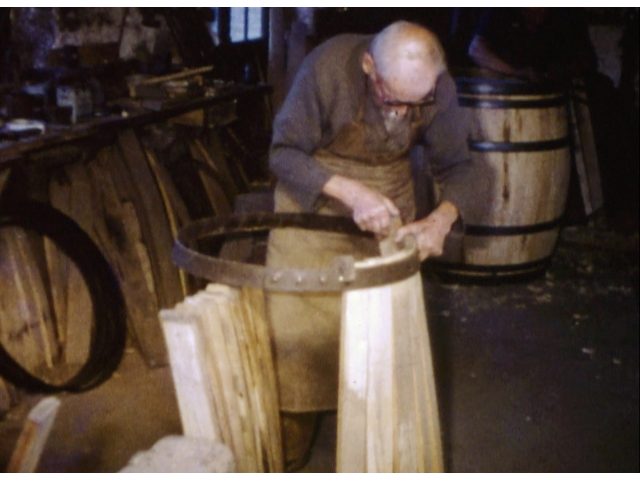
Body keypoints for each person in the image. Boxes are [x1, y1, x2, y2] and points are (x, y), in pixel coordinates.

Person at [265, 20, 473, 470]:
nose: (401, 114)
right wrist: (351, 193)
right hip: (315, 195)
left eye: (415, 103)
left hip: (389, 195)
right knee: (298, 331)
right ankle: (292, 439)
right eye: (391, 98)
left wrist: (440, 219)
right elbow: (282, 153)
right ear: (367, 66)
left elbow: (462, 166)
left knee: (381, 337)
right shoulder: (326, 68)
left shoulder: (438, 88)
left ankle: (372, 443)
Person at [467, 8, 596, 82]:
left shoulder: (568, 13)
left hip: (560, 95)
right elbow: (476, 50)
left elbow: (587, 61)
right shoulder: (501, 9)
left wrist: (562, 72)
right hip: (506, 94)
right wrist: (516, 73)